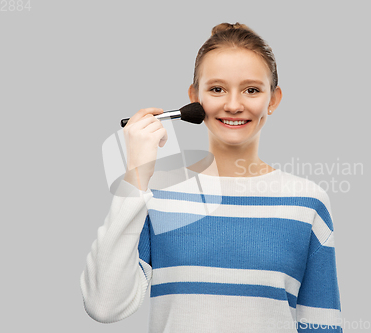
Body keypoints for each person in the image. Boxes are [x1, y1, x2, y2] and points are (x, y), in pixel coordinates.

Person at [80, 22, 344, 332]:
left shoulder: (307, 202)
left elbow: (321, 324)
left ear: (273, 99)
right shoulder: (156, 195)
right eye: (217, 89)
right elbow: (103, 305)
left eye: (252, 90)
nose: (233, 105)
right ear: (194, 98)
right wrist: (136, 174)